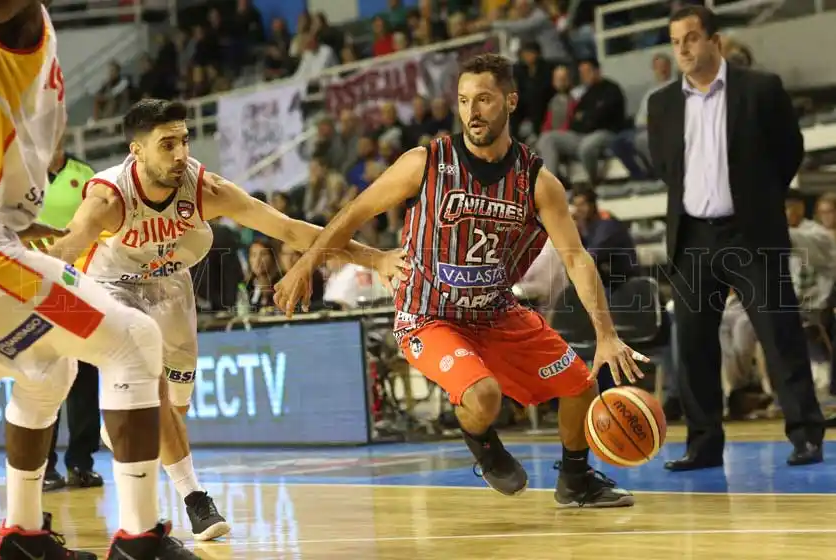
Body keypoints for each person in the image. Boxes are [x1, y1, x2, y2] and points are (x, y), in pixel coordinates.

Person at [273, 53, 645, 507]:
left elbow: (577, 258)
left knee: (581, 385)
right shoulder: (426, 162)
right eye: (464, 100)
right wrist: (304, 265)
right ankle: (484, 447)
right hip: (428, 316)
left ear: (510, 101)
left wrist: (606, 334)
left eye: (484, 99)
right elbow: (354, 213)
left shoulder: (537, 181)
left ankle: (575, 480)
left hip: (496, 311)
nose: (472, 111)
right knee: (484, 397)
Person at [46, 98, 410, 541]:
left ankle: (126, 417)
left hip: (170, 286)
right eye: (167, 145)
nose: (181, 154)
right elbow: (67, 247)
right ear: (136, 152)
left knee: (176, 408)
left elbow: (292, 230)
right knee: (151, 382)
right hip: (113, 285)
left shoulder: (206, 188)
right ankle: (195, 498)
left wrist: (376, 258)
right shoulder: (110, 197)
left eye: (184, 141)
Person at [0, 2, 180, 558]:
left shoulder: (31, 32)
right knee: (132, 340)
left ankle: (22, 534)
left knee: (47, 367)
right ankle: (140, 540)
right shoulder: (11, 20)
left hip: (4, 250)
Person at [647, 5, 824, 471]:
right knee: (696, 346)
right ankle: (703, 444)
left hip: (750, 232)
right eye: (675, 41)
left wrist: (758, 200)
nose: (682, 49)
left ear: (715, 41)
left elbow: (789, 152)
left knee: (779, 335)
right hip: (693, 236)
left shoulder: (761, 89)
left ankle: (806, 434)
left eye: (690, 38)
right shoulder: (661, 104)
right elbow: (665, 166)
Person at [37, 137, 104, 492]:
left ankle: (80, 464)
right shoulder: (24, 174)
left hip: (78, 285)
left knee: (83, 376)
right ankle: (43, 467)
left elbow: (98, 226)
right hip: (31, 286)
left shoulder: (84, 174)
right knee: (42, 375)